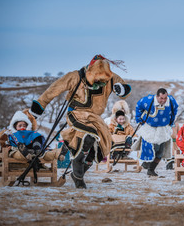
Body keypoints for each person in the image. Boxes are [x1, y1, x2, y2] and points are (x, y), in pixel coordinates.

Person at [29, 54, 131, 188]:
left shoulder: (111, 77)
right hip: (76, 112)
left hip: (95, 117)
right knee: (89, 135)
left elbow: (124, 87)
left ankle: (79, 173)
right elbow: (54, 89)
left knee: (103, 143)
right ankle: (77, 164)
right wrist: (39, 106)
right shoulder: (75, 77)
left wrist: (122, 89)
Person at [0, 110, 67, 163]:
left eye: (24, 125)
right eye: (20, 125)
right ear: (15, 126)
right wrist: (6, 147)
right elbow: (1, 142)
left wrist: (40, 146)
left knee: (46, 154)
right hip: (17, 150)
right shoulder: (11, 134)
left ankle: (59, 153)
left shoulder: (30, 133)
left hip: (34, 151)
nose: (22, 127)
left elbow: (37, 137)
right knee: (19, 154)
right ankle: (25, 152)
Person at [132, 88, 178, 176]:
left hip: (163, 128)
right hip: (150, 128)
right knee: (154, 149)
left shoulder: (171, 101)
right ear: (157, 96)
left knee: (161, 152)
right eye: (161, 98)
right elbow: (139, 106)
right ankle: (146, 164)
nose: (163, 100)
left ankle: (151, 169)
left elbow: (174, 111)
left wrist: (171, 122)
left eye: (165, 98)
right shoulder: (148, 101)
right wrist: (139, 119)